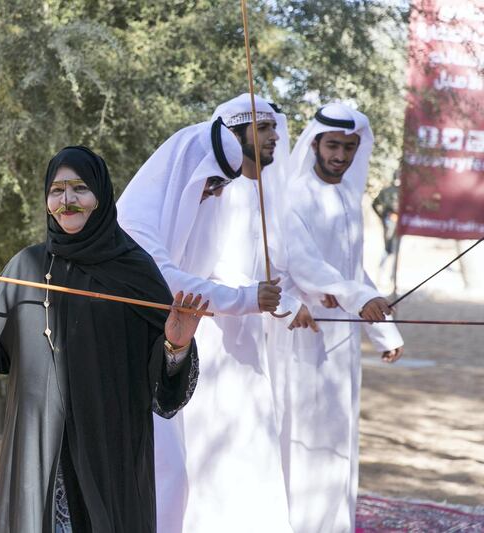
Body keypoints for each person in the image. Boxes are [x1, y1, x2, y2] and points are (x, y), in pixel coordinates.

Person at [0, 146, 206, 533]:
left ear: (101, 197)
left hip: (110, 443)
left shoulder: (134, 269)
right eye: (57, 190)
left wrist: (176, 345)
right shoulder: (27, 266)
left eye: (79, 188)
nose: (67, 200)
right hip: (38, 443)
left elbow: (162, 384)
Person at [117, 109, 300, 533]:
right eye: (213, 182)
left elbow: (209, 269)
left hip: (170, 355)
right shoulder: (136, 217)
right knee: (161, 474)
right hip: (127, 356)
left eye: (221, 185)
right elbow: (166, 279)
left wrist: (263, 298)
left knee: (174, 476)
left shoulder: (200, 206)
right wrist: (245, 298)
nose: (215, 193)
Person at [269, 103, 405, 533]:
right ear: (314, 143)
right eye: (333, 146)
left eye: (349, 147)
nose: (341, 156)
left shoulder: (348, 198)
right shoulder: (295, 196)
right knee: (306, 439)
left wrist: (384, 331)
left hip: (341, 341)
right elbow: (308, 268)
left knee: (338, 438)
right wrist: (360, 297)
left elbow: (352, 270)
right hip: (304, 337)